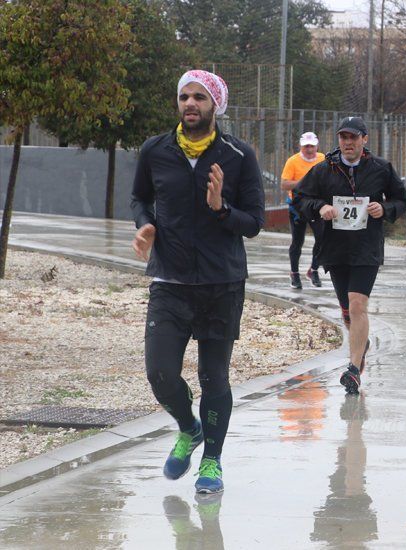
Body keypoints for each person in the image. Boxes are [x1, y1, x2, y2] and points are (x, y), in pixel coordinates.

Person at [131, 70, 265, 494]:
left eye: (200, 98)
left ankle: (212, 461)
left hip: (220, 283)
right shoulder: (156, 150)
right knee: (160, 374)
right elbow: (139, 197)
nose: (190, 104)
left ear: (215, 105)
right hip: (168, 281)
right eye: (184, 97)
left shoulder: (238, 155)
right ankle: (189, 428)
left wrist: (221, 208)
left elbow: (255, 223)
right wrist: (145, 225)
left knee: (214, 379)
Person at [298, 116, 406, 393]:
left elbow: (401, 200)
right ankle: (361, 344)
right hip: (335, 249)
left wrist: (385, 210)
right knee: (348, 311)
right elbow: (300, 198)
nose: (348, 143)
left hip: (366, 248)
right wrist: (320, 207)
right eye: (343, 137)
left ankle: (353, 367)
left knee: (358, 304)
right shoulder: (325, 170)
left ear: (364, 140)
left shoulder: (380, 169)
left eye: (353, 137)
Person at [281, 131, 326, 289]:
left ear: (317, 146)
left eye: (312, 146)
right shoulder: (293, 161)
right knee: (297, 242)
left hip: (316, 204)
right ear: (301, 146)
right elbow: (285, 184)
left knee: (322, 238)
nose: (309, 149)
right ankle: (294, 273)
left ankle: (313, 270)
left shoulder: (323, 159)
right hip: (298, 206)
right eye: (306, 146)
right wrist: (304, 182)